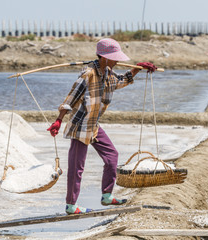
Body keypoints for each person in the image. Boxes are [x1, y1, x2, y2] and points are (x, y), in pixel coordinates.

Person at [47, 38, 157, 215]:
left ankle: (107, 195)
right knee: (77, 167)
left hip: (94, 126)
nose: (117, 61)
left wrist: (137, 69)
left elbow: (121, 81)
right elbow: (71, 98)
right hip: (80, 127)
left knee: (111, 156)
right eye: (114, 58)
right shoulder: (88, 73)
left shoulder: (108, 74)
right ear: (104, 57)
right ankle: (71, 205)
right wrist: (58, 120)